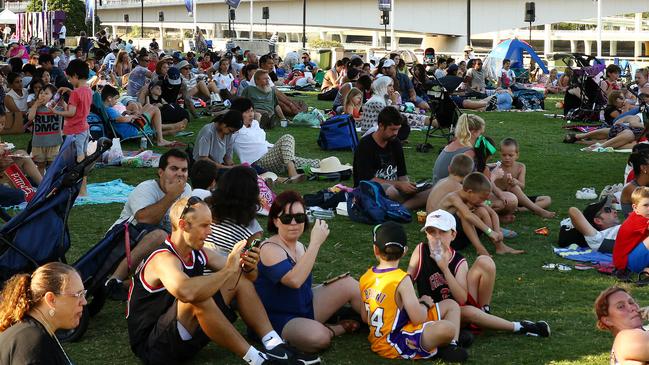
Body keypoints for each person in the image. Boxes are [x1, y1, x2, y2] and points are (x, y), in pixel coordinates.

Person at [126, 197, 318, 365]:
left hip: (180, 338)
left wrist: (249, 266)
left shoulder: (198, 252)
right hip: (153, 348)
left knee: (237, 279)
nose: (210, 231)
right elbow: (186, 292)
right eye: (204, 225)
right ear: (183, 225)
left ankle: (276, 346)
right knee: (199, 296)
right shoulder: (163, 259)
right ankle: (259, 360)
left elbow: (248, 278)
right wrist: (229, 269)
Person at [408, 210, 550, 338]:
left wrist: (444, 268)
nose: (437, 237)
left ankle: (484, 313)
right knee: (468, 312)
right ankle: (519, 326)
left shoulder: (458, 260)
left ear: (453, 234)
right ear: (426, 234)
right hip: (434, 311)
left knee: (485, 261)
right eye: (432, 231)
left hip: (457, 309)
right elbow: (407, 281)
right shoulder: (421, 250)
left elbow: (461, 299)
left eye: (442, 231)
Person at [255, 191, 361, 353]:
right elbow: (294, 281)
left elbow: (305, 285)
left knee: (350, 284)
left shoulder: (299, 246)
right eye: (286, 218)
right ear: (276, 221)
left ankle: (388, 322)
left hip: (304, 306)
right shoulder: (269, 248)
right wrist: (315, 244)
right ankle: (335, 329)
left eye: (299, 218)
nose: (294, 223)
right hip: (279, 318)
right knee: (319, 338)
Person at [360, 221, 468, 362]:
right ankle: (446, 343)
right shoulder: (402, 279)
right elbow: (418, 318)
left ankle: (451, 344)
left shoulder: (365, 277)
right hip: (396, 343)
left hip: (386, 334)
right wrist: (424, 303)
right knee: (448, 328)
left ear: (375, 249)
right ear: (405, 251)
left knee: (451, 304)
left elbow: (364, 317)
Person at [104, 149, 192, 300]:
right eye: (174, 169)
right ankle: (114, 280)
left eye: (184, 170)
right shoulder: (146, 188)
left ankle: (131, 284)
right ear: (160, 172)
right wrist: (171, 196)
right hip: (120, 244)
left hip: (152, 248)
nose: (180, 174)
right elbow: (145, 219)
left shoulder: (186, 190)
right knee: (160, 235)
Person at [0, 262, 86, 365]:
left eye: (83, 294)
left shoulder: (37, 332)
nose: (84, 302)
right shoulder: (33, 344)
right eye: (78, 295)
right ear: (51, 299)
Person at [353, 106, 431, 210]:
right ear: (381, 126)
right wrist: (399, 185)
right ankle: (405, 206)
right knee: (390, 191)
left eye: (397, 129)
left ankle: (400, 207)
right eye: (392, 129)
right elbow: (367, 179)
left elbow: (402, 174)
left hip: (396, 189)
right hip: (372, 189)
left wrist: (408, 186)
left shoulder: (395, 143)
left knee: (433, 188)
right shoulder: (365, 145)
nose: (395, 133)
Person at [436, 172, 524, 256]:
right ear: (470, 192)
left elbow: (493, 213)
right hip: (445, 239)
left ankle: (499, 247)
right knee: (463, 214)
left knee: (482, 210)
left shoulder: (472, 197)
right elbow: (467, 215)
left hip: (459, 236)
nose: (483, 201)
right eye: (481, 198)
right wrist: (490, 232)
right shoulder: (453, 197)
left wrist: (497, 231)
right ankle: (480, 249)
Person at [230, 97, 317, 180]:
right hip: (258, 162)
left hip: (273, 155)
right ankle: (293, 173)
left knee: (312, 163)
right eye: (246, 112)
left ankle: (325, 165)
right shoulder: (235, 130)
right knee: (287, 138)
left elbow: (262, 141)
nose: (250, 114)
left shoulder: (255, 124)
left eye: (252, 111)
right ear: (238, 114)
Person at [50, 59, 92, 196]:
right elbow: (79, 104)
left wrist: (56, 112)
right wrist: (69, 90)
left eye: (69, 78)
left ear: (75, 75)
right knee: (83, 157)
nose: (69, 81)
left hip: (74, 130)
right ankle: (82, 187)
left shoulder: (75, 93)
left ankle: (81, 189)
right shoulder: (87, 90)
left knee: (77, 161)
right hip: (84, 128)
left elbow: (71, 112)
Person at [204, 166, 264, 253]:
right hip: (229, 264)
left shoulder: (206, 212)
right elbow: (252, 256)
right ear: (252, 194)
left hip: (200, 259)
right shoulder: (253, 230)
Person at [492, 138, 555, 218]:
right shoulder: (497, 167)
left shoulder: (520, 167)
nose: (507, 158)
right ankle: (538, 210)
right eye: (504, 155)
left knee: (547, 199)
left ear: (517, 155)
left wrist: (516, 182)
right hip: (503, 198)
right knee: (513, 187)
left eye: (510, 155)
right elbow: (491, 186)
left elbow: (522, 186)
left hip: (519, 197)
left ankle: (523, 209)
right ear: (500, 154)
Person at [595, 287, 649, 365]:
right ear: (607, 320)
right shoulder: (623, 339)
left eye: (631, 302)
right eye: (621, 306)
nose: (631, 308)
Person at [432, 114, 484, 185]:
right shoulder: (468, 152)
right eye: (480, 133)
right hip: (449, 191)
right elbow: (469, 182)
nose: (481, 137)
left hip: (438, 187)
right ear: (473, 132)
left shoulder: (451, 145)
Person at [613, 187, 649, 276]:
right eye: (646, 205)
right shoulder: (638, 220)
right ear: (635, 207)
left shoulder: (640, 216)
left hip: (632, 258)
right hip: (627, 264)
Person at [27, 84, 62, 174]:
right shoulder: (36, 108)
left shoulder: (57, 107)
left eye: (46, 93)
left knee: (52, 164)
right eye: (41, 93)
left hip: (54, 142)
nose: (42, 95)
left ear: (54, 96)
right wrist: (35, 105)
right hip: (39, 142)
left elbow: (67, 110)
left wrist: (59, 100)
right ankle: (41, 183)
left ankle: (51, 183)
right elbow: (30, 118)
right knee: (40, 165)